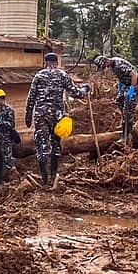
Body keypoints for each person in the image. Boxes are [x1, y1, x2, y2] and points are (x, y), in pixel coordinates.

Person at [25, 53, 90, 186]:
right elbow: (75, 92)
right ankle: (53, 175)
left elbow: (31, 97)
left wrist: (28, 115)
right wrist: (85, 90)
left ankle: (44, 179)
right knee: (55, 144)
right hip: (56, 115)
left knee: (42, 145)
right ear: (57, 61)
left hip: (41, 115)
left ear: (45, 62)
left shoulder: (38, 75)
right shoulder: (62, 75)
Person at [93, 55, 138, 145]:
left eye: (105, 66)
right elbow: (122, 77)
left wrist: (132, 89)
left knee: (128, 108)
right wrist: (121, 88)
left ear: (107, 61)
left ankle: (126, 135)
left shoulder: (119, 65)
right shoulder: (113, 65)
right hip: (126, 85)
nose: (106, 68)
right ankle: (127, 117)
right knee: (119, 100)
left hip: (135, 85)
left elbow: (134, 75)